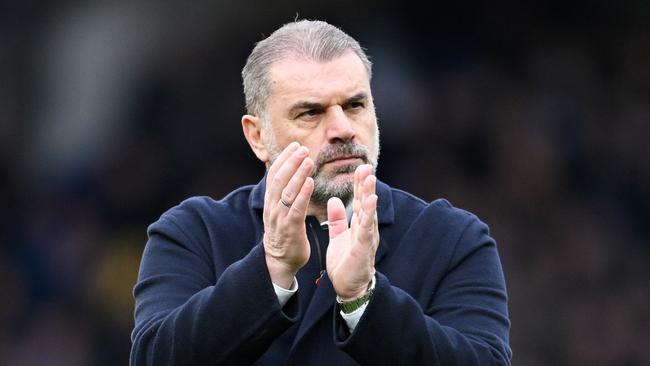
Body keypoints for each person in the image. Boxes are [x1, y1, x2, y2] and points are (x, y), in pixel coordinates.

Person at [130, 20, 512, 365]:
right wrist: (272, 269)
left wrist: (363, 299)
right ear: (257, 136)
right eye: (310, 112)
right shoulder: (192, 233)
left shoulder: (453, 239)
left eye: (355, 105)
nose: (343, 128)